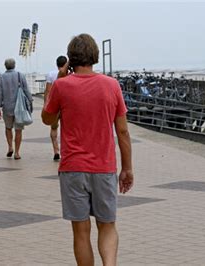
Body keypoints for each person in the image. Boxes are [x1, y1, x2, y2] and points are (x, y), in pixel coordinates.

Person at [42, 34, 134, 266]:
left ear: (71, 58)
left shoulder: (62, 86)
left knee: (81, 231)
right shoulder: (111, 85)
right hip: (104, 167)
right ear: (95, 55)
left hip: (73, 168)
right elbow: (122, 132)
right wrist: (127, 168)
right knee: (107, 225)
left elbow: (47, 118)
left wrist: (58, 82)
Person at [0, 58, 33, 160]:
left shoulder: (2, 77)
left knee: (8, 128)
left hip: (7, 108)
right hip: (19, 108)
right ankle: (17, 152)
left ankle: (10, 147)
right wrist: (30, 100)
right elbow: (26, 89)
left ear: (5, 66)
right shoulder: (20, 75)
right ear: (14, 65)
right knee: (18, 130)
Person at [45, 55, 68, 161]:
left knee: (54, 128)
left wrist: (46, 104)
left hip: (54, 104)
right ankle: (66, 151)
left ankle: (56, 150)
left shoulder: (50, 74)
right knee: (68, 128)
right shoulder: (70, 74)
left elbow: (48, 91)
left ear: (57, 64)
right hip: (66, 105)